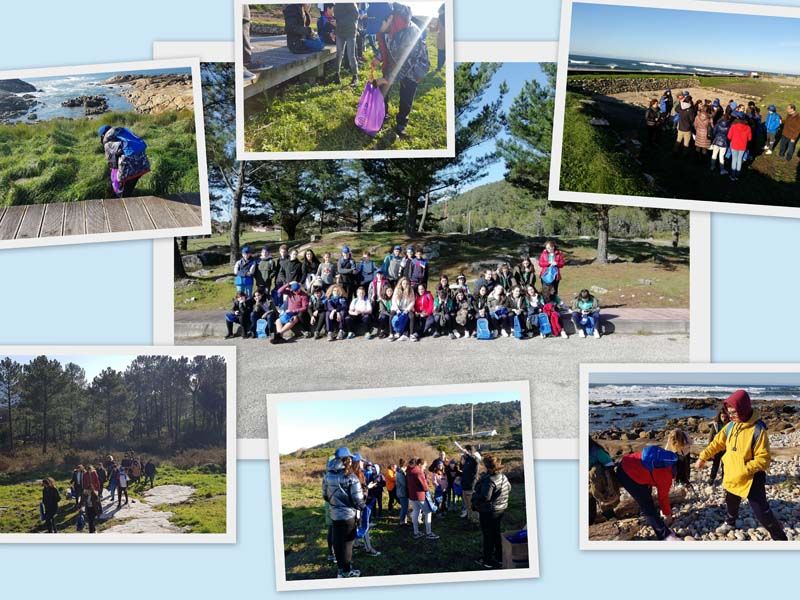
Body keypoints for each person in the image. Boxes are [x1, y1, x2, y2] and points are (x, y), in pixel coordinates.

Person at [695, 390, 788, 540]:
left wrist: (743, 470)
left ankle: (781, 539)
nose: (730, 416)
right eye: (728, 412)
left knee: (762, 513)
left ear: (744, 409)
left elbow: (763, 460)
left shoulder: (758, 430)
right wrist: (703, 457)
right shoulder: (731, 426)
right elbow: (717, 443)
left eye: (734, 412)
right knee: (731, 501)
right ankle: (730, 522)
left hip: (752, 478)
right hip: (732, 475)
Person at [615, 431, 690, 541]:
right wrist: (668, 515)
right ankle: (665, 536)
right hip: (627, 473)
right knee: (648, 505)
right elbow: (662, 498)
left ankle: (649, 518)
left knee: (647, 495)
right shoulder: (666, 475)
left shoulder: (667, 455)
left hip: (629, 461)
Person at [381, 4, 430, 138]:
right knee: (384, 86)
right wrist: (378, 57)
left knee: (406, 94)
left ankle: (401, 123)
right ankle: (382, 114)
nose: (377, 27)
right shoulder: (387, 27)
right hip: (397, 60)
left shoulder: (411, 33)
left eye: (379, 23)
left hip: (415, 66)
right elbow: (388, 48)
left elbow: (404, 65)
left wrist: (387, 79)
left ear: (390, 19)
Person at [323, 448, 366, 578]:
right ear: (347, 459)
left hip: (334, 515)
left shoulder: (327, 476)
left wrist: (336, 504)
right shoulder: (352, 477)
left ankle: (341, 570)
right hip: (348, 516)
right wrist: (364, 507)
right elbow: (358, 500)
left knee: (337, 542)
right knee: (348, 544)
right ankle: (347, 571)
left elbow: (325, 496)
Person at [472, 454, 511, 569]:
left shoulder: (489, 480)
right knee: (496, 533)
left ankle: (487, 560)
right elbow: (509, 488)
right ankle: (499, 557)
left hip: (489, 511)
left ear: (487, 466)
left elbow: (485, 497)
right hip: (500, 509)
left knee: (488, 535)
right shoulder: (503, 477)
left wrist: (475, 497)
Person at [98, 125, 151, 198]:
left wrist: (113, 174)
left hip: (129, 164)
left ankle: (123, 202)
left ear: (102, 136)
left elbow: (112, 164)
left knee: (123, 190)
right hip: (143, 162)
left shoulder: (108, 141)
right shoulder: (123, 132)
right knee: (131, 183)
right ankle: (129, 197)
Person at [407, 458, 439, 540]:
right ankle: (429, 533)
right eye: (424, 466)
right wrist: (429, 491)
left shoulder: (410, 470)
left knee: (416, 512)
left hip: (412, 496)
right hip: (420, 496)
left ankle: (416, 532)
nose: (425, 468)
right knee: (428, 512)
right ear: (420, 465)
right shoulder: (418, 472)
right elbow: (424, 486)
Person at [588, 438, 617, 525]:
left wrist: (609, 481)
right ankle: (590, 519)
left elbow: (609, 464)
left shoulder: (596, 451)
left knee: (602, 497)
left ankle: (610, 516)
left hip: (599, 480)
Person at [334, 3, 360, 86]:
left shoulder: (352, 3)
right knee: (339, 54)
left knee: (351, 55)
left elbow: (355, 16)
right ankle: (336, 74)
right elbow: (337, 17)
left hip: (350, 32)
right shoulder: (336, 4)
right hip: (339, 32)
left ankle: (355, 76)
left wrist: (340, 21)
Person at [456, 442, 481, 524]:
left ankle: (476, 521)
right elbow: (464, 471)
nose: (464, 452)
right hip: (465, 486)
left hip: (471, 487)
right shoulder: (467, 460)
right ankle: (470, 519)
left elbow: (475, 460)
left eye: (466, 451)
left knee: (472, 505)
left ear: (470, 451)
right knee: (467, 506)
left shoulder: (475, 459)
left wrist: (466, 452)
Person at [707, 405, 729, 486]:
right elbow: (710, 438)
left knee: (725, 464)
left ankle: (724, 478)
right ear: (719, 416)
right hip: (717, 448)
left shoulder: (730, 425)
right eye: (722, 416)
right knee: (715, 464)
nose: (724, 418)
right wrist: (710, 451)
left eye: (726, 416)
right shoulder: (716, 425)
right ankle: (712, 478)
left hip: (727, 449)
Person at [727, 116, 752, 182]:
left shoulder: (733, 126)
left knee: (734, 159)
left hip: (734, 145)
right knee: (739, 160)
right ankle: (737, 175)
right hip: (743, 146)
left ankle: (733, 175)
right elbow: (749, 138)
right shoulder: (748, 128)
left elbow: (729, 137)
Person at [673, 91, 696, 156]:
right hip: (687, 129)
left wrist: (681, 103)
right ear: (689, 102)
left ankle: (675, 152)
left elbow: (676, 109)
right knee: (686, 143)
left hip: (680, 127)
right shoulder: (691, 110)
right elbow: (692, 120)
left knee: (678, 141)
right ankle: (684, 155)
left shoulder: (681, 110)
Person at [395, 458, 409, 526]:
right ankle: (401, 522)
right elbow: (404, 484)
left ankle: (404, 521)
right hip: (402, 493)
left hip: (402, 492)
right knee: (404, 508)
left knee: (404, 507)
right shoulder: (400, 473)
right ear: (404, 466)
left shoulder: (401, 472)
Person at [435, 3, 446, 72]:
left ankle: (439, 68)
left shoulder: (440, 17)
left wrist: (430, 28)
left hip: (441, 39)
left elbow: (436, 28)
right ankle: (441, 66)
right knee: (444, 54)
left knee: (440, 54)